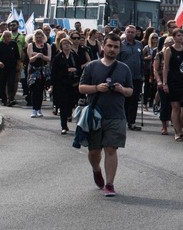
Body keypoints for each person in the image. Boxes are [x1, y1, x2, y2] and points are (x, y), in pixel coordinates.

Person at [78, 33, 133, 197]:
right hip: (95, 115)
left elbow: (130, 91)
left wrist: (122, 90)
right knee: (94, 151)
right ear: (103, 46)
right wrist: (96, 88)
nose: (112, 49)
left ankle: (110, 184)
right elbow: (81, 88)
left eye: (116, 47)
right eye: (109, 46)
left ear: (119, 49)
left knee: (111, 149)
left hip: (116, 115)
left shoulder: (124, 68)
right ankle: (96, 169)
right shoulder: (92, 66)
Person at [51, 36, 80, 134]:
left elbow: (80, 68)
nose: (67, 45)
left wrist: (75, 70)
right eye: (64, 44)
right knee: (63, 105)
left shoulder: (74, 56)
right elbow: (54, 72)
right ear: (61, 46)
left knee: (71, 104)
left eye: (68, 43)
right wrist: (66, 70)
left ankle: (69, 115)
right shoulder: (58, 57)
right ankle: (63, 125)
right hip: (61, 85)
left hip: (73, 84)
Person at [118, 25, 144, 131]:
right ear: (125, 32)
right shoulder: (121, 45)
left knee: (134, 100)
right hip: (124, 77)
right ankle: (122, 120)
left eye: (132, 32)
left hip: (137, 77)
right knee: (124, 100)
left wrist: (142, 74)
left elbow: (141, 60)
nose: (130, 34)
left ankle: (132, 122)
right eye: (128, 32)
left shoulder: (139, 44)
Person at [26, 29, 52, 117]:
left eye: (40, 37)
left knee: (40, 90)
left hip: (43, 70)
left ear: (43, 37)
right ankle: (34, 109)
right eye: (36, 37)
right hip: (33, 70)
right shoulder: (31, 45)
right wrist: (37, 56)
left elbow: (49, 59)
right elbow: (30, 59)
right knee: (33, 89)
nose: (38, 39)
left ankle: (39, 109)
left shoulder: (47, 45)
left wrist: (42, 56)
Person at [0, 29, 21, 106]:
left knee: (11, 82)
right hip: (2, 68)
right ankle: (4, 99)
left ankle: (11, 98)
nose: (9, 38)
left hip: (12, 67)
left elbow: (17, 56)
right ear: (4, 37)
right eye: (7, 36)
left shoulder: (14, 44)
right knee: (2, 83)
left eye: (10, 36)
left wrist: (18, 65)